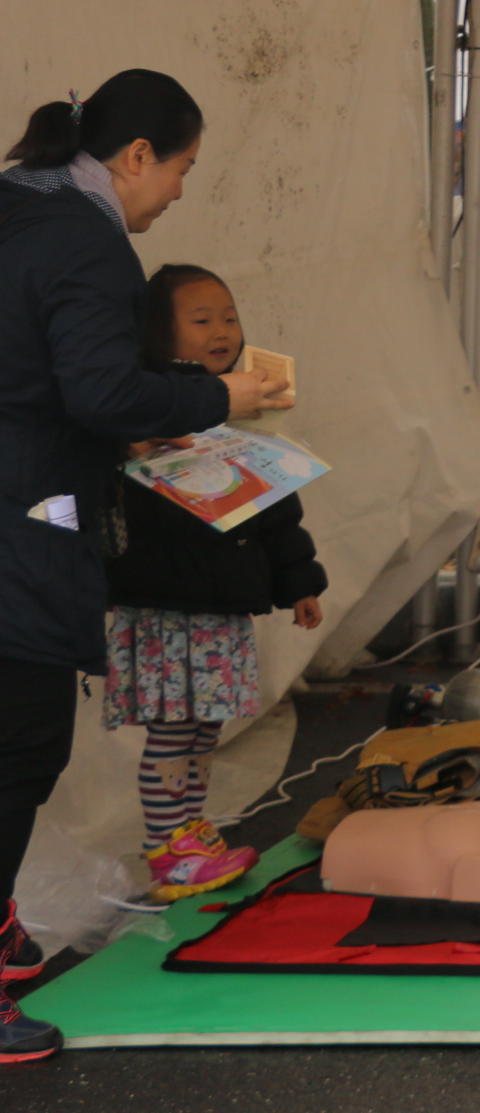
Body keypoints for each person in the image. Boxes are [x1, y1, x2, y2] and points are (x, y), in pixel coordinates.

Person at [0, 71, 289, 1065]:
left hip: (26, 504)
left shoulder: (17, 206)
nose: (177, 193)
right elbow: (99, 392)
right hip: (24, 524)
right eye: (180, 169)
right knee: (20, 745)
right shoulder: (86, 240)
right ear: (133, 157)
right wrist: (219, 400)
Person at [102, 264, 327, 903]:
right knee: (175, 729)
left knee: (204, 728)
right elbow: (108, 504)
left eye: (228, 317)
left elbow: (276, 507)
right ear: (158, 332)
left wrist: (300, 582)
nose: (222, 330)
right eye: (202, 320)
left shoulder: (243, 408)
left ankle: (189, 833)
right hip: (167, 603)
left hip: (221, 603)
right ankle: (167, 851)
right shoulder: (142, 405)